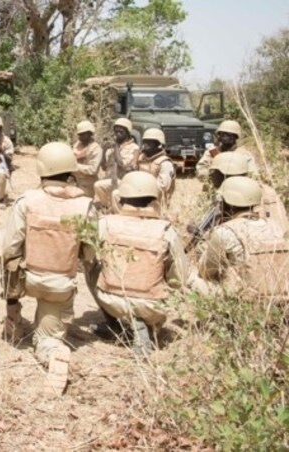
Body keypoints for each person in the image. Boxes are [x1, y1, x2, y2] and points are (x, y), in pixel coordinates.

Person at [0, 142, 95, 394]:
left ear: (41, 170)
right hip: (60, 285)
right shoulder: (85, 206)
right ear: (71, 172)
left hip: (26, 280)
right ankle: (52, 355)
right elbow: (91, 255)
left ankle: (13, 317)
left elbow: (10, 248)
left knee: (4, 250)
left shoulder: (26, 201)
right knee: (47, 338)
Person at [89, 172, 207, 356]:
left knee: (92, 267)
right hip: (153, 306)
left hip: (110, 300)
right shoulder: (166, 231)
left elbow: (88, 257)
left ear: (120, 198)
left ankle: (114, 324)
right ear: (155, 198)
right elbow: (181, 277)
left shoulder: (105, 224)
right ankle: (144, 324)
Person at [198, 176, 289, 300]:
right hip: (282, 298)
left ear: (228, 204)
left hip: (245, 301)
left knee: (194, 280)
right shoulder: (275, 226)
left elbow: (205, 271)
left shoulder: (225, 232)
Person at [207, 152, 287, 232]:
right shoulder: (228, 193)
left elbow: (277, 228)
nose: (211, 175)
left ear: (225, 172)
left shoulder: (261, 193)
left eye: (215, 171)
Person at [94, 118, 140, 210]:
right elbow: (103, 167)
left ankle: (116, 210)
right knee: (98, 185)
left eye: (121, 132)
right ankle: (107, 207)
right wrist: (104, 151)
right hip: (110, 180)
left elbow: (122, 165)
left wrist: (115, 147)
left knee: (103, 187)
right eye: (116, 131)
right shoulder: (113, 147)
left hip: (123, 181)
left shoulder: (134, 148)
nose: (117, 134)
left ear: (128, 133)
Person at [136, 128, 176, 209]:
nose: (145, 146)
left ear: (159, 145)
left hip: (156, 202)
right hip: (138, 194)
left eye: (149, 143)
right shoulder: (141, 158)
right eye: (145, 142)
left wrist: (141, 187)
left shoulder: (165, 163)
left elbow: (163, 187)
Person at [71, 120, 103, 198]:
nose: (80, 137)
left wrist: (75, 166)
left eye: (83, 134)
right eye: (79, 134)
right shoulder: (77, 144)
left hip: (87, 184)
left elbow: (93, 170)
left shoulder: (96, 149)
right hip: (74, 181)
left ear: (89, 134)